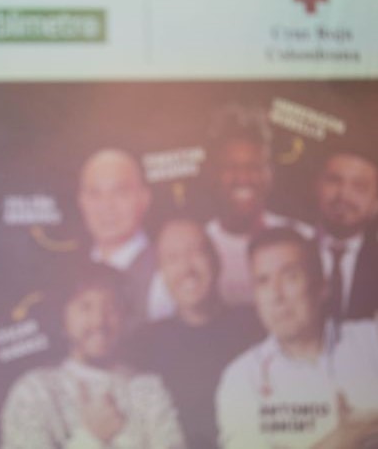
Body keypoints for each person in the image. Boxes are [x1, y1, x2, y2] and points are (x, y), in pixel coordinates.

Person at [215, 228, 378, 449]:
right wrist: (344, 439)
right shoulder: (242, 379)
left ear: (322, 286)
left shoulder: (371, 341)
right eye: (263, 281)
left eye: (290, 277)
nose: (276, 295)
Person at [0, 263, 186, 449]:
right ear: (63, 316)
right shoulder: (34, 392)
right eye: (85, 307)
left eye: (111, 308)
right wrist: (90, 438)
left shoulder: (148, 389)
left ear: (125, 317)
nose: (99, 321)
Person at [132, 217, 263, 448]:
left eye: (196, 253)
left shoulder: (257, 325)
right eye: (172, 259)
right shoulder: (144, 344)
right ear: (162, 272)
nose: (187, 269)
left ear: (217, 261)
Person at [204, 104, 312, 305]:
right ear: (214, 174)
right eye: (231, 167)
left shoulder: (303, 240)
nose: (243, 177)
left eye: (254, 166)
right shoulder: (198, 247)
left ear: (270, 174)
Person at [77, 147, 174, 324]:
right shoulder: (72, 275)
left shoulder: (166, 273)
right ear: (82, 202)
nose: (107, 206)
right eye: (95, 194)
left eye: (120, 193)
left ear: (144, 199)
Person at [314, 147, 378, 322]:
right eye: (334, 181)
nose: (343, 195)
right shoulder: (290, 249)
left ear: (376, 202)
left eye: (359, 187)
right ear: (316, 186)